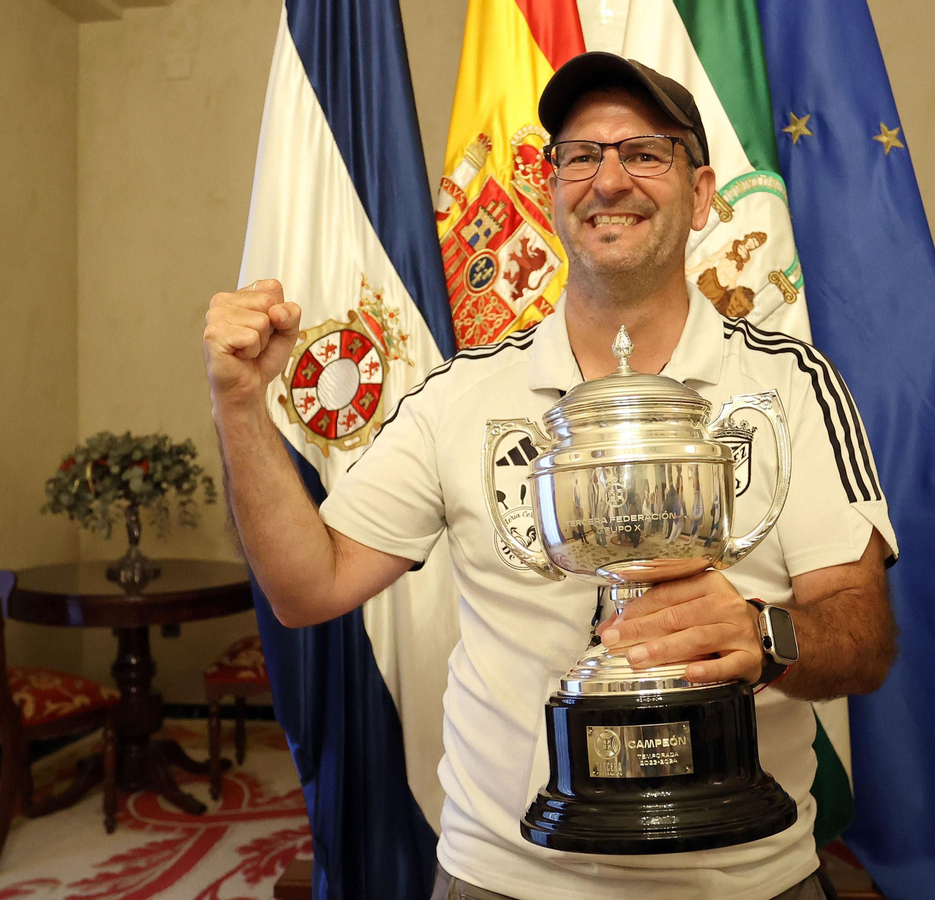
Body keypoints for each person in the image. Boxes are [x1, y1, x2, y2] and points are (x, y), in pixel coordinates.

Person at [203, 52, 899, 900]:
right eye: (580, 156)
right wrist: (240, 405)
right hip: (502, 875)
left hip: (744, 878)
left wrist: (764, 638)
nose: (609, 179)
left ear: (701, 194)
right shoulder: (460, 397)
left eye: (644, 153)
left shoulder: (790, 386)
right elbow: (307, 587)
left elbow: (863, 637)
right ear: (549, 189)